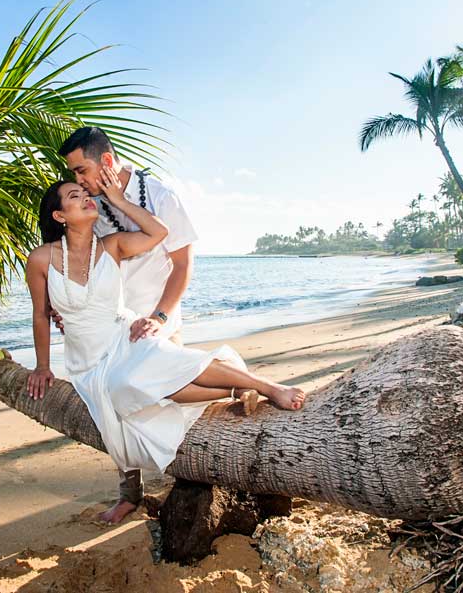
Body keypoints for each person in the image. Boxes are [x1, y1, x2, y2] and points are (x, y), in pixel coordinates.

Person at [23, 168, 305, 523]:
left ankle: (269, 387)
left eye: (85, 193)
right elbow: (39, 316)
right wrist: (43, 365)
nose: (85, 197)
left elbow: (160, 232)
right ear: (59, 216)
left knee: (167, 364)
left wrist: (119, 201)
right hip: (87, 358)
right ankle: (234, 390)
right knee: (125, 390)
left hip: (124, 334)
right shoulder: (41, 258)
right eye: (74, 196)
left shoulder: (113, 245)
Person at [56, 126, 196, 523]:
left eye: (81, 170)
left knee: (170, 396)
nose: (77, 181)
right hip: (113, 323)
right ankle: (129, 493)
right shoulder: (92, 205)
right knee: (112, 404)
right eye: (74, 175)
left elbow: (183, 265)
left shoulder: (159, 195)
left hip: (158, 318)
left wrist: (160, 318)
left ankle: (188, 474)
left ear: (106, 161)